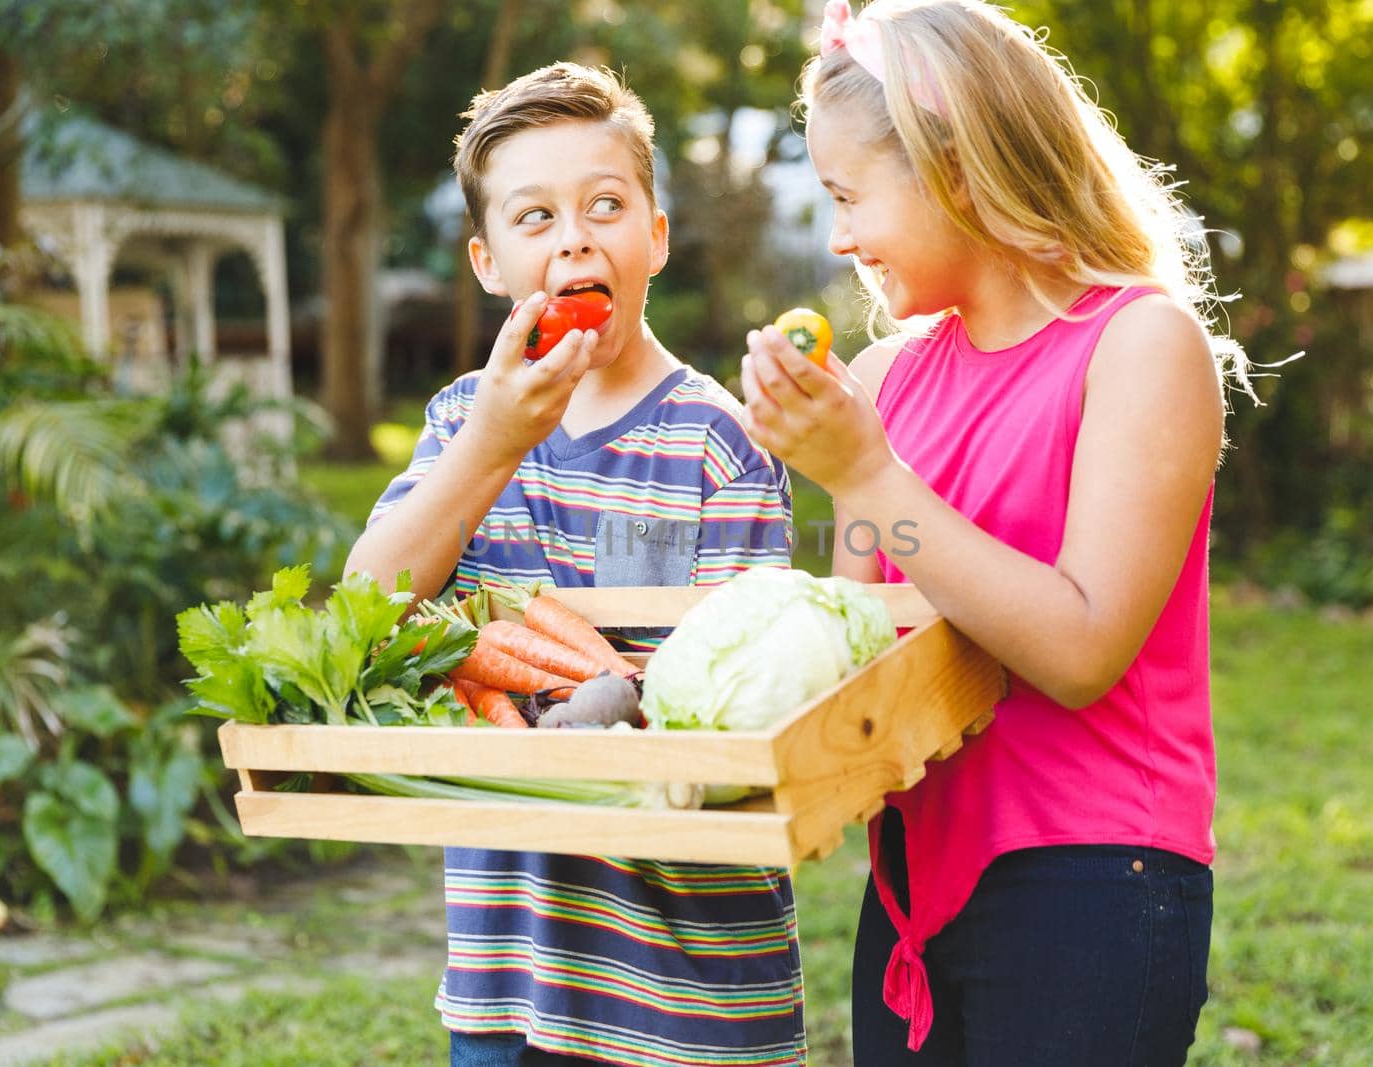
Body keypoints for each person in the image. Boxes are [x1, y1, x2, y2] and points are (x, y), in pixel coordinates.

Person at [738, 2, 1253, 1063]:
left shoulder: (1138, 345)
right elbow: (865, 658)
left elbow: (1079, 648)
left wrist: (865, 471)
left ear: (954, 172)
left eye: (847, 196)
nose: (836, 236)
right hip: (913, 885)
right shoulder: (884, 379)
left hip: (1094, 876)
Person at [343, 63, 804, 1067]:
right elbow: (363, 606)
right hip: (512, 979)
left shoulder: (718, 444)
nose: (574, 235)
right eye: (535, 215)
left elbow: (747, 708)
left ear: (656, 236)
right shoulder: (464, 421)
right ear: (487, 260)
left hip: (690, 992)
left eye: (605, 204)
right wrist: (496, 444)